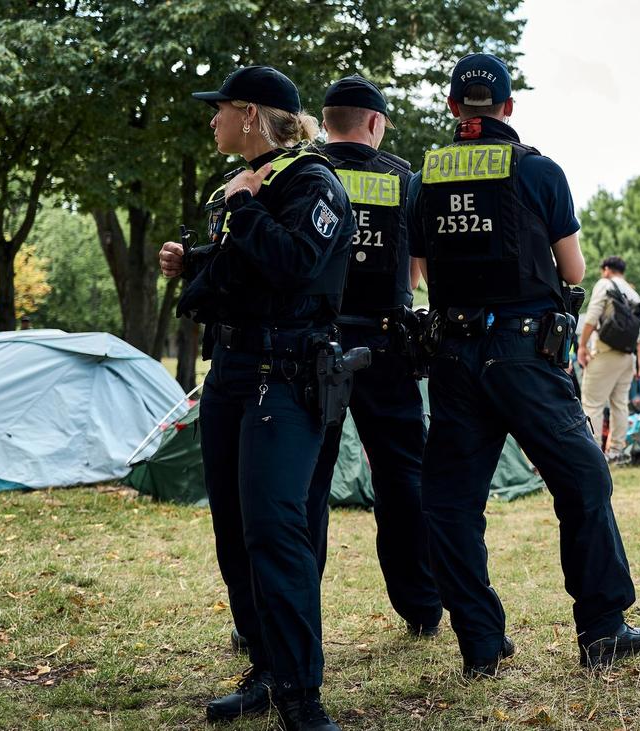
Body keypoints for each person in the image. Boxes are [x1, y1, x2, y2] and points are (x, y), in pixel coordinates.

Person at [406, 53, 640, 677]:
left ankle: (480, 643)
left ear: (453, 107)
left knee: (451, 502)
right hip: (525, 356)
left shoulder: (423, 178)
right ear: (508, 107)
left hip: (453, 356)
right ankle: (602, 629)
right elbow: (573, 270)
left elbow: (417, 275)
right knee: (584, 481)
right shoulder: (539, 171)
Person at [158, 65, 354, 731]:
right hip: (232, 371)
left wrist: (243, 207)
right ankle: (266, 670)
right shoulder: (245, 182)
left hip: (286, 373)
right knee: (235, 530)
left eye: (220, 108)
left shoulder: (311, 181)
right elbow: (245, 269)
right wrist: (194, 261)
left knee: (274, 527)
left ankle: (301, 693)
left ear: (250, 114)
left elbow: (296, 263)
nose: (212, 119)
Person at [306, 75, 443, 637]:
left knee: (306, 481)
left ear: (325, 121)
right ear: (375, 123)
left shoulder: (300, 171)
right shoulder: (405, 180)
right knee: (404, 479)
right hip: (386, 346)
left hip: (311, 348)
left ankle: (292, 610)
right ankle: (423, 608)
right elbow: (418, 272)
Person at [578, 256, 640, 463]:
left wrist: (582, 346)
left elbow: (592, 316)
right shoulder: (633, 293)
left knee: (592, 404)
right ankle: (617, 451)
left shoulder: (605, 284)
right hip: (627, 356)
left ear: (606, 269)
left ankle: (593, 453)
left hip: (604, 352)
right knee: (620, 404)